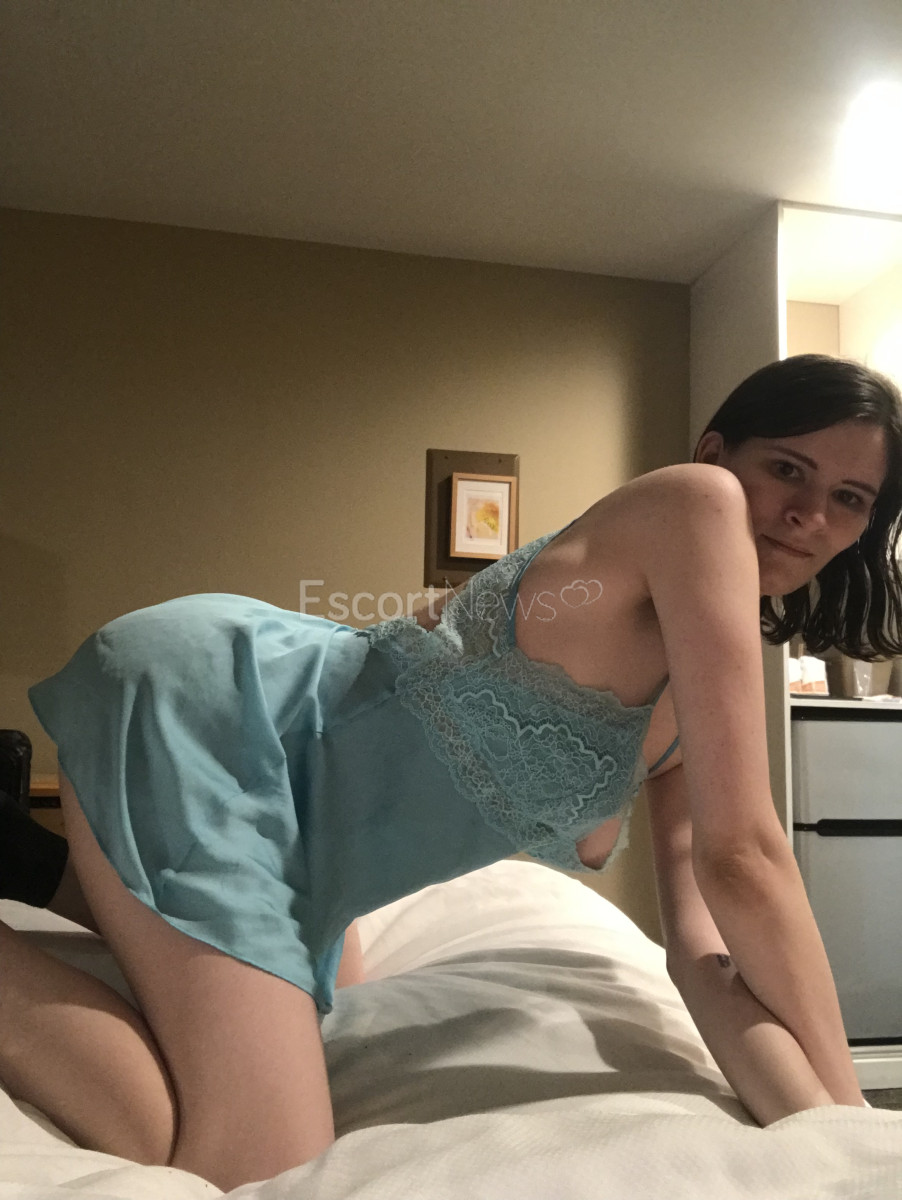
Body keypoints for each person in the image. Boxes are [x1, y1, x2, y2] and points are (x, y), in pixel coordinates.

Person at [3, 353, 901, 1190]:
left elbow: (703, 957)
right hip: (229, 721)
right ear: (716, 454)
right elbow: (744, 858)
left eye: (850, 497)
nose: (809, 514)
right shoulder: (694, 502)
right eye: (787, 469)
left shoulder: (701, 698)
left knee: (337, 1000)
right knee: (260, 1164)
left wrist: (826, 1127)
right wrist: (859, 1116)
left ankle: (35, 865)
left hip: (313, 846)